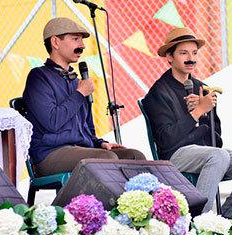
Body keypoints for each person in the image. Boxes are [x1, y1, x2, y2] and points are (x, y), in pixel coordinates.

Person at [142, 27, 232, 218]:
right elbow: (166, 141)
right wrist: (197, 112)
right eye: (183, 53)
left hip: (211, 153)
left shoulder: (202, 88)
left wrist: (204, 113)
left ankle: (226, 219)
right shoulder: (159, 92)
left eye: (194, 53)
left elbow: (217, 139)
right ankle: (200, 222)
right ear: (169, 57)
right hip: (175, 155)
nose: (190, 58)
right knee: (218, 157)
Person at [23, 17, 145, 177]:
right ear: (55, 42)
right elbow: (52, 123)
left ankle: (138, 201)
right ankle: (98, 202)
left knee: (135, 157)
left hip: (82, 149)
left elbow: (86, 127)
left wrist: (100, 143)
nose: (82, 46)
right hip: (50, 153)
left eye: (81, 40)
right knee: (106, 159)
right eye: (75, 39)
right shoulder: (39, 77)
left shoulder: (77, 81)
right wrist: (79, 94)